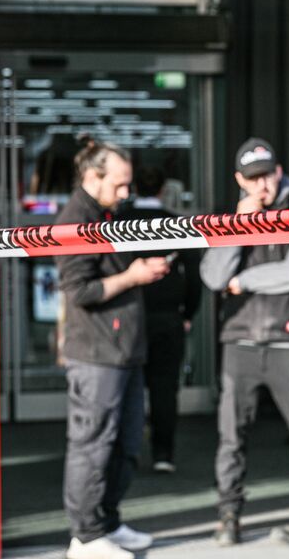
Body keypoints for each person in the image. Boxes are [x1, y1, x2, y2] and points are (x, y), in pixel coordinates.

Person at [200, 137, 289, 546]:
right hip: (239, 341)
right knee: (230, 438)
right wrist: (237, 228)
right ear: (240, 180)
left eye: (267, 175)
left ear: (279, 172)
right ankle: (228, 517)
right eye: (253, 178)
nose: (262, 185)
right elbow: (213, 277)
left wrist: (243, 281)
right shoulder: (230, 219)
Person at [55, 137, 169, 559]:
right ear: (92, 176)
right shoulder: (74, 220)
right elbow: (79, 291)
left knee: (125, 444)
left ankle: (107, 523)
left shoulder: (107, 213)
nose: (126, 193)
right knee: (93, 444)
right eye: (119, 184)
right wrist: (132, 277)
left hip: (124, 351)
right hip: (96, 355)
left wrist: (141, 272)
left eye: (128, 184)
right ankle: (85, 537)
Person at [117, 165, 201, 473]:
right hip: (167, 318)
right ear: (164, 189)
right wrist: (187, 313)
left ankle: (125, 452)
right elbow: (194, 276)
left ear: (133, 187)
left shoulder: (118, 222)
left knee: (125, 387)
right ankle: (163, 454)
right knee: (164, 388)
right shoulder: (175, 224)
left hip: (126, 316)